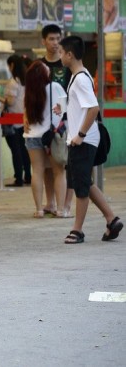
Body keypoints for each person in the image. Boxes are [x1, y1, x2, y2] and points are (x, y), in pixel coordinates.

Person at [58, 36, 122, 244]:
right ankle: (111, 220)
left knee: (81, 186)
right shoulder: (79, 76)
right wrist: (64, 110)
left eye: (61, 52)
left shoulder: (81, 79)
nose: (59, 56)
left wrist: (80, 135)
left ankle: (77, 230)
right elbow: (82, 107)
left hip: (83, 141)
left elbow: (94, 108)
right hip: (80, 139)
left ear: (69, 54)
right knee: (83, 181)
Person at [23, 60, 67, 219]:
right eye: (46, 68)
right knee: (59, 172)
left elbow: (26, 113)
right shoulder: (55, 87)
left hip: (32, 136)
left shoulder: (29, 92)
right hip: (52, 137)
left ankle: (39, 209)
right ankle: (61, 209)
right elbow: (65, 108)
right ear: (43, 73)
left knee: (37, 172)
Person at [39, 24, 73, 217]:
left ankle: (66, 204)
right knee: (46, 166)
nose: (55, 43)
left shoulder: (66, 64)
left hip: (65, 123)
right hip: (44, 123)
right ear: (43, 41)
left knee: (64, 163)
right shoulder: (39, 66)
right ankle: (50, 202)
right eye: (51, 39)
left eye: (58, 39)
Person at [2, 54, 31, 188]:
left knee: (16, 150)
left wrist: (1, 98)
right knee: (24, 149)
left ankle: (18, 177)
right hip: (25, 118)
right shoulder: (26, 80)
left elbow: (11, 101)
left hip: (13, 119)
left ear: (12, 65)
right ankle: (28, 176)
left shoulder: (13, 82)